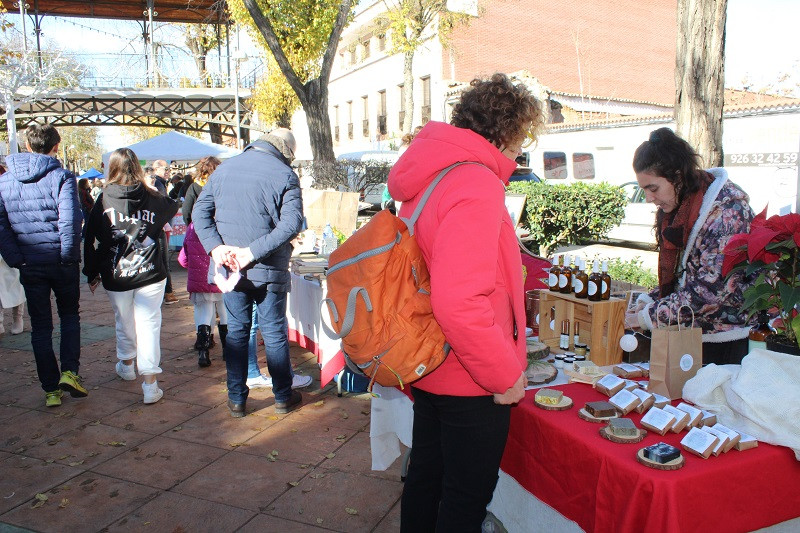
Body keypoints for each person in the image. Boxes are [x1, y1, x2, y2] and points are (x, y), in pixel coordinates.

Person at [386, 73, 543, 532]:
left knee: (426, 480)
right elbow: (459, 300)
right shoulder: (476, 182)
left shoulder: (434, 173)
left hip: (433, 360)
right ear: (508, 133)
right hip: (469, 373)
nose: (521, 150)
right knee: (463, 499)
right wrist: (503, 374)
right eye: (522, 138)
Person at [193, 128, 305, 418]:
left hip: (231, 268)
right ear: (286, 153)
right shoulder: (284, 174)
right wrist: (250, 253)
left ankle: (236, 399)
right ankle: (282, 396)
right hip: (264, 269)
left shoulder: (223, 169)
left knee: (238, 333)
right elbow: (293, 223)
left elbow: (199, 214)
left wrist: (216, 248)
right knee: (273, 332)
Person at [624, 127, 755, 364]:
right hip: (695, 334)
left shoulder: (725, 213)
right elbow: (685, 275)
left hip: (727, 342)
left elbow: (709, 291)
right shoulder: (685, 206)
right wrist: (651, 298)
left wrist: (648, 316)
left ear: (677, 176)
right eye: (643, 189)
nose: (648, 198)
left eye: (653, 188)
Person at [0, 123, 86, 407]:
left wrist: (17, 258)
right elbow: (70, 221)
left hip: (29, 263)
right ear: (56, 147)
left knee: (40, 326)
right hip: (60, 260)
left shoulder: (4, 181)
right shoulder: (62, 177)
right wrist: (69, 256)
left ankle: (50, 389)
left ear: (27, 146)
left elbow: (2, 227)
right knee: (69, 316)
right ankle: (70, 372)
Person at [84, 148, 179, 404]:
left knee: (124, 319)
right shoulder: (152, 195)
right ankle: (149, 383)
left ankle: (127, 364)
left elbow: (90, 236)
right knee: (148, 324)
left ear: (112, 168)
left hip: (116, 273)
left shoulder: (103, 198)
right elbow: (171, 207)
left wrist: (91, 272)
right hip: (150, 272)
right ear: (137, 167)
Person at [180, 156, 227, 367]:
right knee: (226, 310)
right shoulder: (224, 191)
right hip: (223, 266)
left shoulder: (193, 190)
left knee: (203, 311)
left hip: (200, 265)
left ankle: (203, 352)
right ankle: (229, 350)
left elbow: (183, 258)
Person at [151, 160, 178, 304]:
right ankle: (168, 292)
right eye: (165, 168)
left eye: (169, 168)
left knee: (161, 260)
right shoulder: (158, 184)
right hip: (159, 227)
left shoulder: (161, 183)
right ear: (156, 169)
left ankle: (166, 292)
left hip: (159, 226)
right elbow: (163, 205)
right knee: (163, 260)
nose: (168, 171)